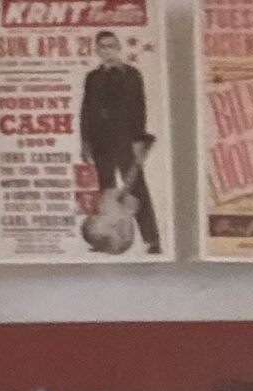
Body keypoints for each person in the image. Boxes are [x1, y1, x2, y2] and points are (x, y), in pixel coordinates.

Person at [78, 30, 159, 253]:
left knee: (137, 189)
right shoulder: (92, 78)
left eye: (112, 46)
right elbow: (86, 112)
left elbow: (139, 108)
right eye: (103, 46)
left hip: (126, 139)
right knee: (107, 193)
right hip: (100, 142)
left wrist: (139, 139)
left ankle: (152, 239)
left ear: (118, 48)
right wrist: (85, 143)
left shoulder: (131, 75)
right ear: (97, 50)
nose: (108, 50)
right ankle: (109, 237)